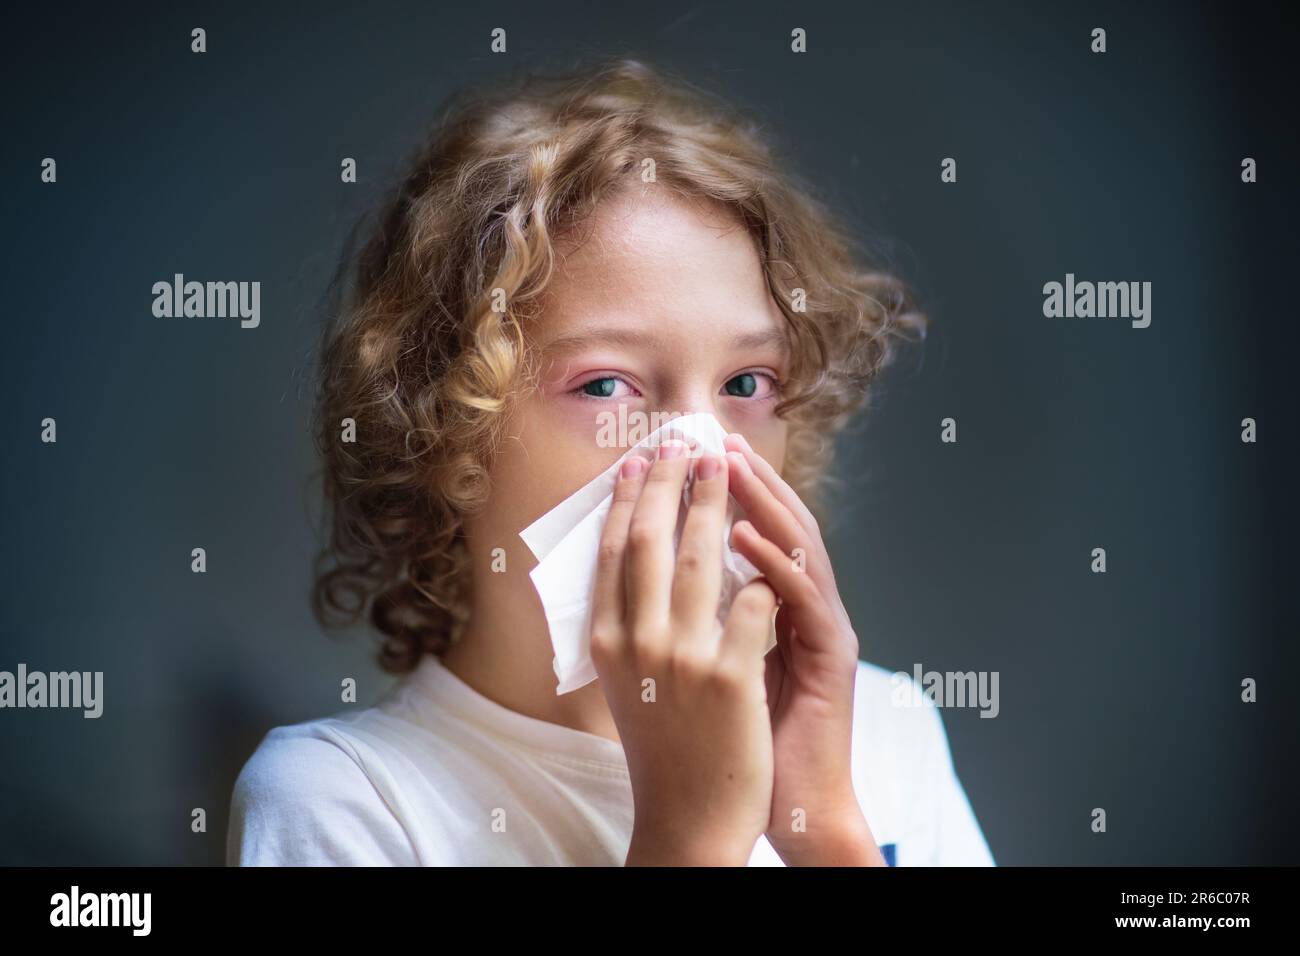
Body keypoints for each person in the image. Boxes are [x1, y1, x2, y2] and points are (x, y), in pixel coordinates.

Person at [227, 57, 995, 867]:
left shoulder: (883, 731)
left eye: (745, 382)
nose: (701, 452)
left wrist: (826, 826)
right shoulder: (343, 801)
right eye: (606, 385)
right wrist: (689, 836)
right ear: (447, 431)